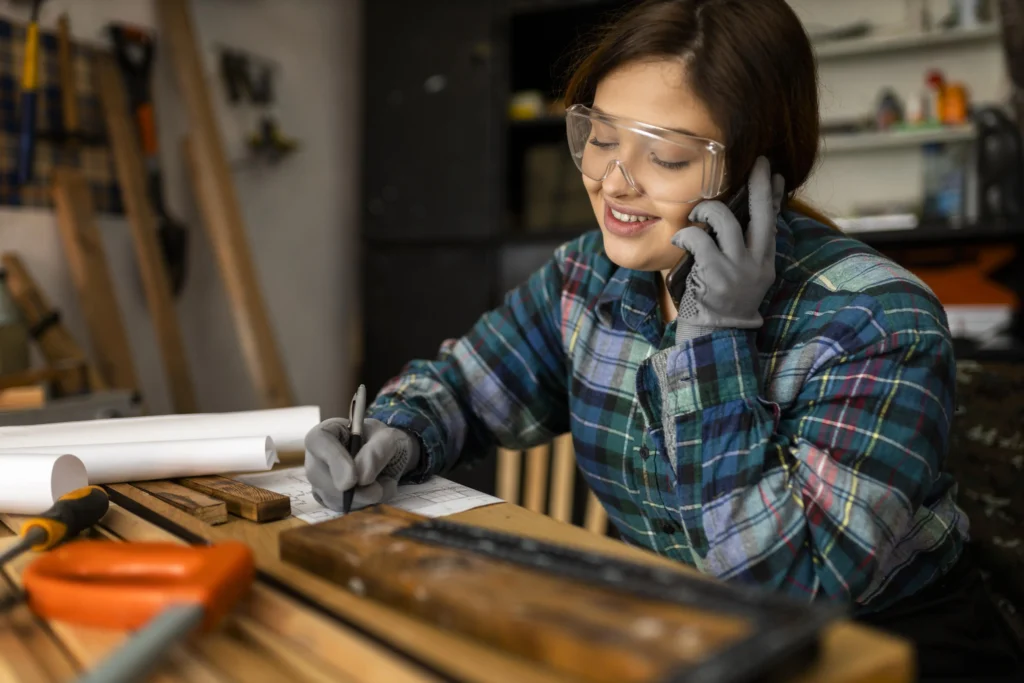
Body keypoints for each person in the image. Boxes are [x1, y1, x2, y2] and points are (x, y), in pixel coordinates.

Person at [305, 0, 1023, 678]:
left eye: (667, 158)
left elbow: (788, 585)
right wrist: (398, 435)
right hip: (677, 628)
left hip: (876, 649)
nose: (614, 183)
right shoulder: (588, 275)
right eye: (602, 138)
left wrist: (715, 337)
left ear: (757, 172)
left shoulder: (877, 323)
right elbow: (467, 384)